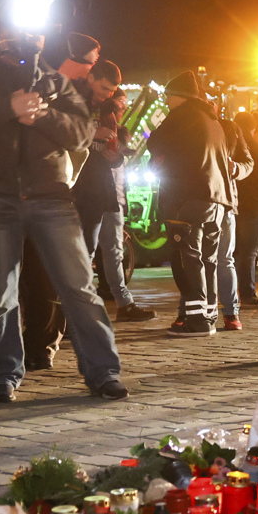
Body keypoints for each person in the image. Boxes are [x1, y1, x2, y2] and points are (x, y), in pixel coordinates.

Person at [0, 37, 128, 401]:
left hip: (51, 196)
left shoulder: (55, 83)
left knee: (79, 286)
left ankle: (103, 371)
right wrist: (7, 107)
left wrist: (44, 114)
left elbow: (81, 135)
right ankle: (2, 374)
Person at [21, 32, 104, 367]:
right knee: (14, 275)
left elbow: (80, 139)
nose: (89, 71)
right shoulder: (31, 78)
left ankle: (43, 344)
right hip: (21, 189)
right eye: (88, 62)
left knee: (46, 275)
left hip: (57, 191)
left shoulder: (76, 92)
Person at [147, 71, 247, 336]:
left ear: (179, 96)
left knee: (186, 257)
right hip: (216, 200)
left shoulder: (181, 115)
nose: (167, 102)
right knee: (208, 258)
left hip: (187, 197)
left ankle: (197, 321)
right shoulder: (213, 120)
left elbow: (154, 142)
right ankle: (209, 314)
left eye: (169, 97)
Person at [72, 65, 156, 322]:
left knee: (113, 249)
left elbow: (111, 154)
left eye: (112, 91)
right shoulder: (75, 103)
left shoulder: (108, 112)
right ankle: (78, 307)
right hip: (86, 188)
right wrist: (92, 134)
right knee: (86, 249)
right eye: (104, 89)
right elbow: (67, 140)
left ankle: (124, 303)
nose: (108, 95)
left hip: (107, 187)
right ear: (91, 78)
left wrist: (116, 154)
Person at [214, 109, 256, 330]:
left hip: (225, 202)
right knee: (199, 260)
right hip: (199, 200)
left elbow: (248, 162)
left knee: (224, 258)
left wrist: (236, 168)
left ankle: (231, 312)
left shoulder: (230, 128)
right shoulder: (191, 125)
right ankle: (199, 311)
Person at [233, 111, 258, 305]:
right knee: (249, 252)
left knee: (234, 252)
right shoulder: (254, 149)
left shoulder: (230, 144)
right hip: (255, 204)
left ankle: (232, 291)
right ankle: (248, 293)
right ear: (252, 128)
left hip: (237, 203)